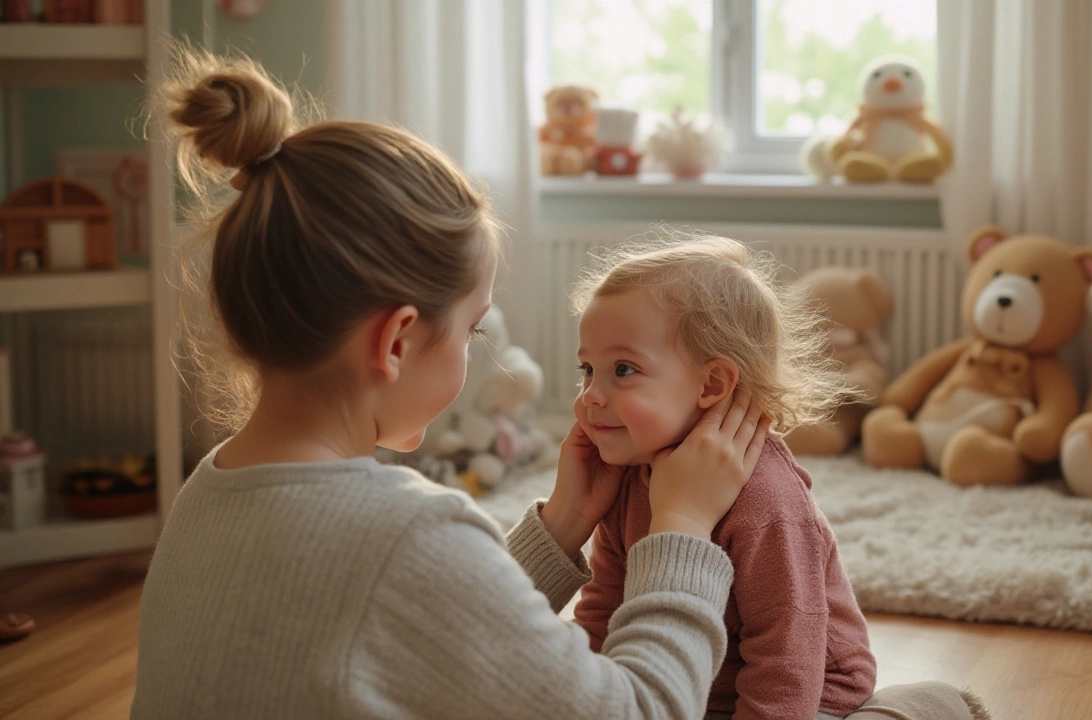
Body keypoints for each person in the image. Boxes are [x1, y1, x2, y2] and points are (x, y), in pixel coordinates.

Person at [130, 48, 771, 720]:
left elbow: (419, 630)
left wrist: (563, 527)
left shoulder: (206, 490)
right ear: (397, 341)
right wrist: (683, 526)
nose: (472, 351)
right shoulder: (407, 531)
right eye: (473, 331)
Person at [569, 234, 991, 720]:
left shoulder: (765, 499)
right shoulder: (623, 476)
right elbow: (604, 608)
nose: (591, 396)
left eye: (622, 369)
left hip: (810, 691)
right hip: (693, 690)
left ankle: (927, 706)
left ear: (712, 385)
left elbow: (788, 651)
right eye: (587, 369)